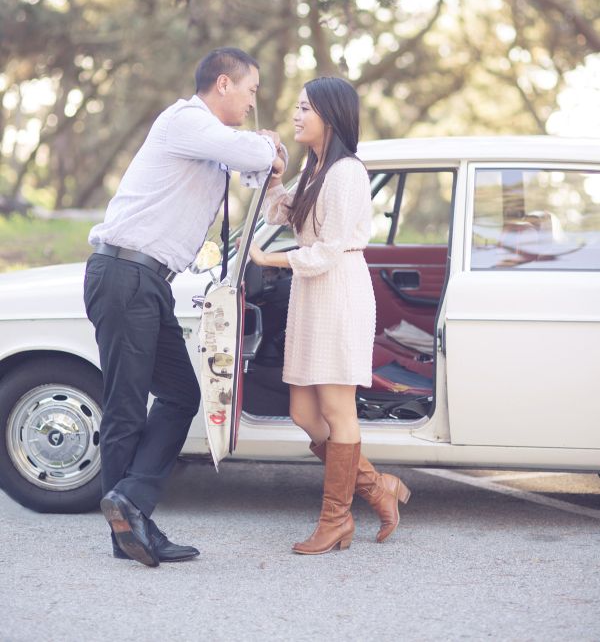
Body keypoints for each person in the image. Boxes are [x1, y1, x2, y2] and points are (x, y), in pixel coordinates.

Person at [84, 47, 285, 567]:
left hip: (147, 281)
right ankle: (129, 530)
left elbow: (254, 174)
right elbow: (260, 159)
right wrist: (265, 145)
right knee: (127, 404)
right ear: (223, 84)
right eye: (250, 89)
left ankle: (131, 505)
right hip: (124, 273)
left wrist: (263, 152)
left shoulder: (212, 143)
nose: (252, 100)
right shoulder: (185, 120)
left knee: (179, 394)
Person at [248, 76, 411, 555]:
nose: (297, 115)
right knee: (302, 412)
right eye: (297, 107)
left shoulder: (346, 173)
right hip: (311, 294)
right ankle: (378, 488)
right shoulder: (318, 168)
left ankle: (336, 520)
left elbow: (327, 251)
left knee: (338, 412)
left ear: (331, 117)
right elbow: (282, 214)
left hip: (336, 290)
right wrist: (276, 175)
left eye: (306, 108)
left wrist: (267, 260)